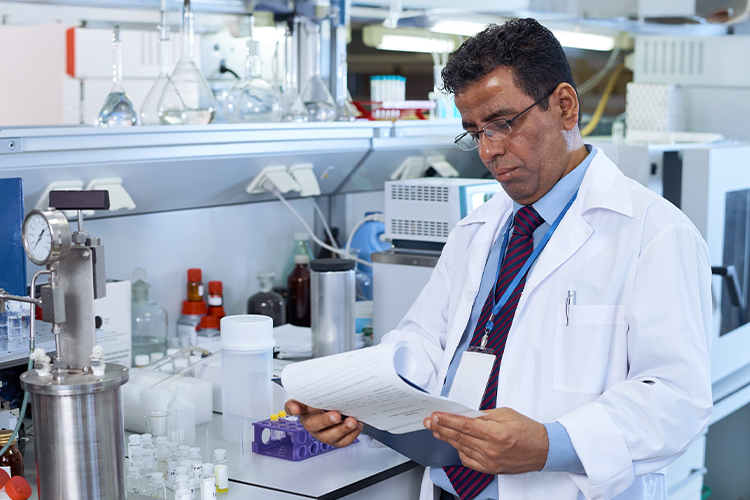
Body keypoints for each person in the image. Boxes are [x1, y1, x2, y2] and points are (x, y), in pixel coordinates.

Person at [285, 18, 712, 500]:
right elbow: (425, 342)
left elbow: (677, 399)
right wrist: (357, 401)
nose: (489, 150)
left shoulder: (654, 233)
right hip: (449, 489)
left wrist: (551, 444)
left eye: (504, 123)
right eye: (475, 132)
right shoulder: (478, 229)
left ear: (565, 106)